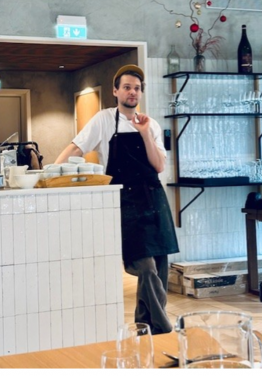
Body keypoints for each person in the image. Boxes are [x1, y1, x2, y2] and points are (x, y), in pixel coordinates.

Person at [53, 64, 179, 335]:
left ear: (141, 93)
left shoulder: (152, 125)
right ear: (115, 91)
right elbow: (76, 147)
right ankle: (164, 326)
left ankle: (145, 328)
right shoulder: (104, 119)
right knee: (146, 268)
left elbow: (158, 166)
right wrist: (50, 173)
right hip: (125, 202)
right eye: (127, 87)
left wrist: (145, 133)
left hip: (154, 200)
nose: (132, 92)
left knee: (160, 268)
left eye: (137, 88)